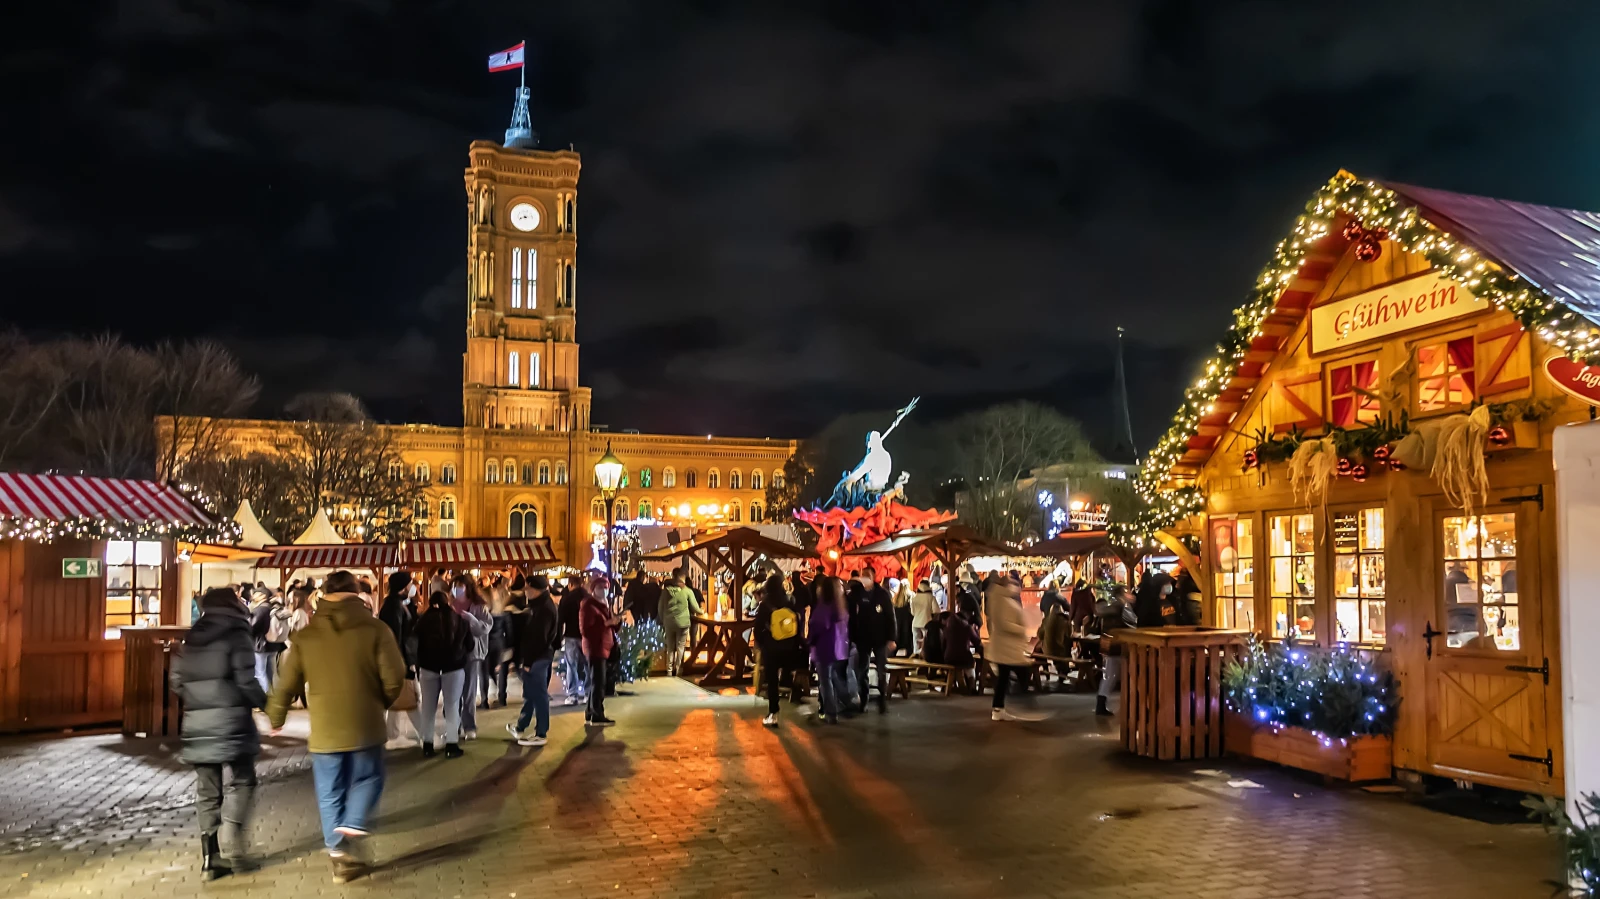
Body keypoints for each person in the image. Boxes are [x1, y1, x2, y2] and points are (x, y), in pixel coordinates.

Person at [266, 571, 405, 884]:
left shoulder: (307, 636)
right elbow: (395, 677)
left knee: (330, 792)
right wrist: (379, 701)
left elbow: (286, 683)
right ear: (356, 594)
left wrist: (276, 717)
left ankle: (339, 853)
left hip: (325, 730)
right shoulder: (375, 629)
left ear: (323, 595)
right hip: (365, 725)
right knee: (369, 776)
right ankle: (354, 821)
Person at [173, 587, 267, 880]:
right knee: (243, 780)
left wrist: (198, 699)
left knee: (207, 792)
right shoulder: (238, 632)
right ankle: (235, 843)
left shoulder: (194, 635)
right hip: (232, 721)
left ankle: (209, 859)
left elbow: (177, 680)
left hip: (197, 723)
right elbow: (246, 680)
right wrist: (267, 705)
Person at [414, 590, 472, 758]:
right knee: (452, 705)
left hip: (428, 668)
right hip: (453, 668)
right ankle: (451, 745)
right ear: (448, 602)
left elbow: (414, 642)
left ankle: (427, 744)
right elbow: (470, 645)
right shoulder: (459, 621)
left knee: (428, 707)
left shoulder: (422, 621)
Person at [506, 575, 560, 746]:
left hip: (538, 658)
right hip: (540, 656)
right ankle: (521, 726)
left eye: (527, 588)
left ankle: (541, 733)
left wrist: (528, 662)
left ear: (536, 589)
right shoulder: (541, 606)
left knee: (539, 695)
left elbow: (539, 639)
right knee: (531, 693)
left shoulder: (543, 608)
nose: (525, 591)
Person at [754, 574, 804, 727]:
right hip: (789, 646)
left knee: (772, 680)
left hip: (772, 647)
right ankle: (795, 693)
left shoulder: (765, 604)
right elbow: (797, 623)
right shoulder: (790, 600)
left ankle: (773, 713)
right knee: (788, 672)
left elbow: (758, 628)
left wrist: (762, 644)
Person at [377, 572, 419, 749]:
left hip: (398, 658)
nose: (412, 587)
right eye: (410, 584)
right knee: (411, 700)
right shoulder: (394, 607)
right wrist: (403, 662)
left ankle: (393, 734)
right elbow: (396, 636)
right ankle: (426, 735)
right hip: (399, 659)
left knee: (399, 698)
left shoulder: (396, 604)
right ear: (404, 586)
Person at [987, 575, 1036, 721]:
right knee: (1021, 675)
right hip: (1007, 647)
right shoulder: (1002, 601)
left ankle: (998, 708)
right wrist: (1021, 629)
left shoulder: (998, 599)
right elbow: (1004, 624)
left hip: (1005, 647)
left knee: (1004, 678)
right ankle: (1026, 706)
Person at [849, 571, 896, 714]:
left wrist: (892, 638)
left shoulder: (882, 594)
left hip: (880, 638)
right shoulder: (857, 594)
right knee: (862, 670)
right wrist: (852, 637)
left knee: (881, 669)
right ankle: (864, 699)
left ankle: (882, 699)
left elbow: (890, 616)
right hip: (863, 638)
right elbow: (851, 617)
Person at [451, 575, 492, 739]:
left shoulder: (479, 606)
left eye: (460, 586)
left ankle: (469, 726)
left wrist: (472, 620)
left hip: (472, 652)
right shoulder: (451, 603)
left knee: (468, 690)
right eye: (454, 586)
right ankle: (454, 725)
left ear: (468, 587)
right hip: (453, 652)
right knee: (453, 691)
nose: (456, 589)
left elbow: (485, 627)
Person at [807, 575, 850, 724]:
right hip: (838, 648)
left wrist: (809, 641)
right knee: (834, 679)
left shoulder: (823, 606)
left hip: (824, 647)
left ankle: (831, 713)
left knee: (825, 681)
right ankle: (846, 701)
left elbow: (817, 626)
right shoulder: (840, 605)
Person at [578, 574, 620, 726]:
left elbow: (612, 627)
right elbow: (586, 630)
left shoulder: (604, 604)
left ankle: (591, 711)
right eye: (601, 587)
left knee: (597, 681)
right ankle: (597, 713)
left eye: (606, 587)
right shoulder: (588, 605)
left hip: (604, 647)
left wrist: (615, 622)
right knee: (598, 682)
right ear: (593, 589)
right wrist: (607, 623)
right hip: (595, 648)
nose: (604, 590)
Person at [1096, 584, 1138, 716]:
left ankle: (1101, 703)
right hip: (1121, 644)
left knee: (1110, 675)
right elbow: (1132, 623)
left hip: (1110, 644)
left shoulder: (1111, 607)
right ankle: (1132, 704)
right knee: (1124, 674)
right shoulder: (1123, 607)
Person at [658, 572, 703, 677]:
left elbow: (660, 607)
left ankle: (669, 671)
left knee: (670, 647)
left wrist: (663, 619)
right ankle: (678, 670)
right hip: (683, 623)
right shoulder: (687, 591)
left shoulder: (665, 592)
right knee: (680, 647)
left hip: (668, 622)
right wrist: (702, 611)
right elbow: (695, 608)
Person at [557, 576, 588, 705]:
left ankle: (573, 695)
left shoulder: (566, 599)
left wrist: (558, 638)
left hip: (571, 635)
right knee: (587, 665)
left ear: (570, 584)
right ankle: (588, 693)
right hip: (586, 636)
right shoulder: (588, 598)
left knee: (571, 665)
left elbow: (560, 620)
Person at [248, 589, 286, 691]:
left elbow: (252, 626)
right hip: (273, 644)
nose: (253, 595)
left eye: (256, 593)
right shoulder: (272, 607)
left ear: (262, 596)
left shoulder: (260, 609)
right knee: (270, 672)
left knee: (260, 673)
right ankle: (275, 696)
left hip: (261, 645)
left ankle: (265, 699)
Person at [909, 579, 939, 656]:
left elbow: (913, 613)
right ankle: (925, 657)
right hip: (927, 622)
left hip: (915, 622)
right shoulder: (931, 597)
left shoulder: (914, 597)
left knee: (916, 643)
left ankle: (915, 658)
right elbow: (936, 610)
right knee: (926, 643)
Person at [891, 578, 914, 656]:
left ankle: (892, 654)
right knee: (908, 638)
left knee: (898, 638)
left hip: (898, 621)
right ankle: (909, 655)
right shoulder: (911, 595)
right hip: (908, 621)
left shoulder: (895, 597)